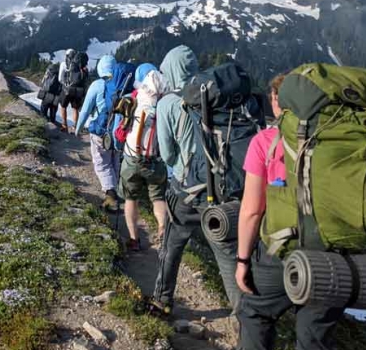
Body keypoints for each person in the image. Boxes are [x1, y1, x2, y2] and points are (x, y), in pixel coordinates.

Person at [235, 74, 343, 350]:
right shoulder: (337, 143)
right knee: (314, 338)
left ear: (275, 101)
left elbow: (251, 210)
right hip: (332, 257)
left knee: (255, 314)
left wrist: (243, 261)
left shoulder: (265, 141)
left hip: (279, 253)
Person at [151, 45, 242, 314]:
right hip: (222, 188)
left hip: (186, 189)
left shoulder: (168, 103)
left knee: (172, 245)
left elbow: (166, 155)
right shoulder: (215, 98)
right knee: (227, 256)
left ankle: (162, 299)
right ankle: (245, 322)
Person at [117, 63, 169, 251]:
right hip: (155, 160)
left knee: (131, 199)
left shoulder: (132, 99)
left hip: (132, 158)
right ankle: (162, 229)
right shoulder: (165, 105)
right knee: (157, 198)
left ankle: (134, 239)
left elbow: (119, 134)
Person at [75, 55, 120, 210]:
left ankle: (111, 195)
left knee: (102, 162)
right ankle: (117, 188)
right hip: (119, 132)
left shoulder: (97, 85)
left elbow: (86, 109)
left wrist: (78, 127)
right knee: (115, 160)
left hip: (100, 131)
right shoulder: (122, 84)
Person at [59, 49, 87, 132]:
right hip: (78, 90)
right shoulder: (80, 65)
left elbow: (60, 78)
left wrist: (65, 85)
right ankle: (75, 127)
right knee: (75, 108)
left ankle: (64, 125)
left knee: (63, 107)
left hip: (67, 89)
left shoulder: (64, 64)